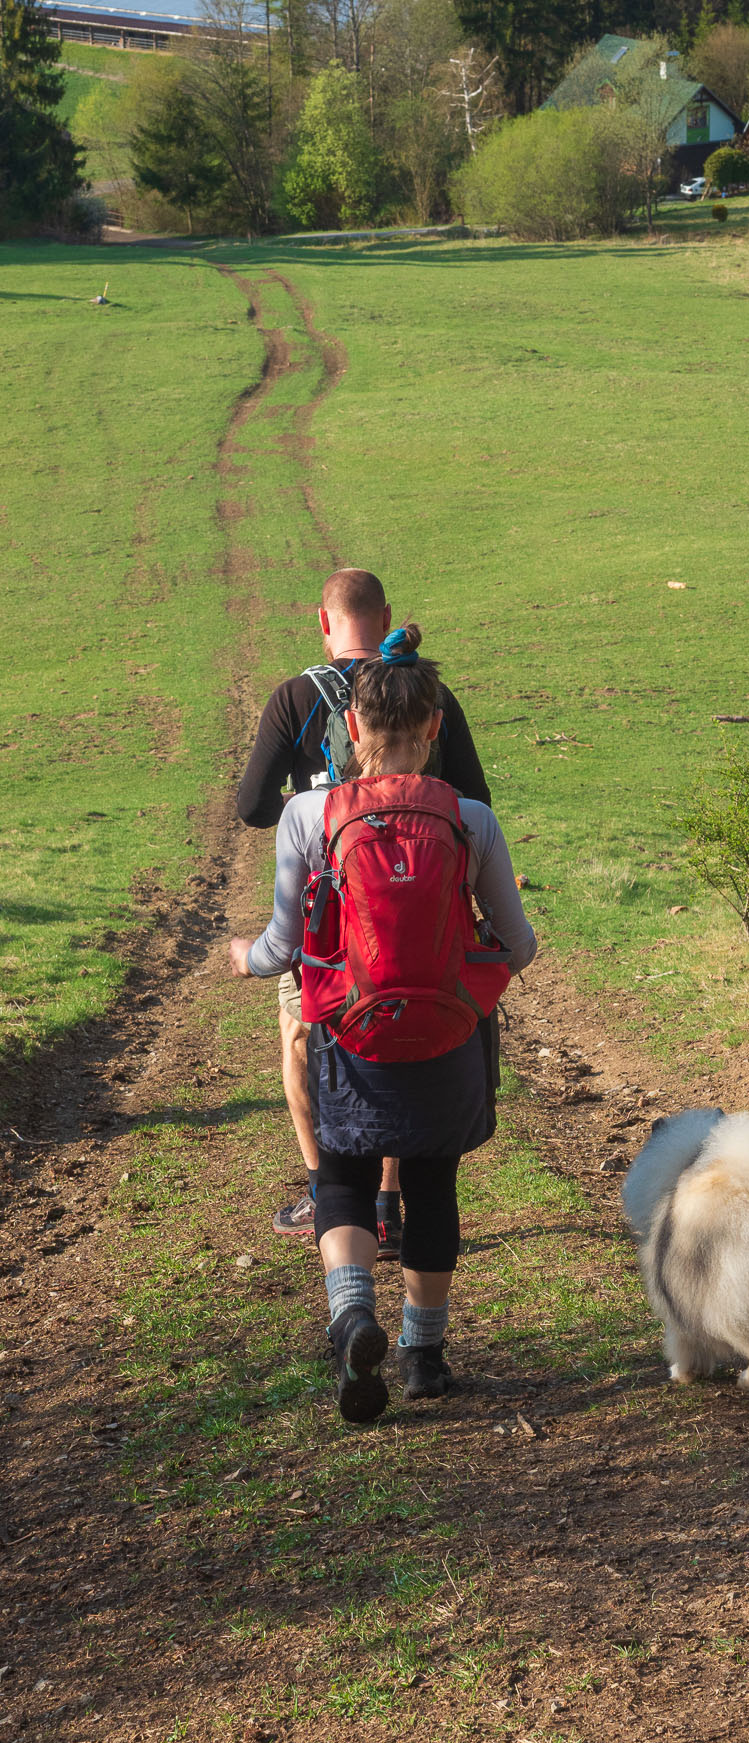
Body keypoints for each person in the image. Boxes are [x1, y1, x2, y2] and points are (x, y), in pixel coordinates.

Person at [228, 632, 536, 1423]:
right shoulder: (472, 821)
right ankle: (425, 1359)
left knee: (342, 1182)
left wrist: (243, 959)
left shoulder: (305, 816)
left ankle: (351, 1316)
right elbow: (520, 944)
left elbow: (283, 947)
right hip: (446, 1037)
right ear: (435, 729)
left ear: (352, 731)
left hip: (350, 1040)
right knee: (432, 1187)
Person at [236, 568, 491, 1253]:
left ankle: (328, 1191)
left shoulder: (294, 698)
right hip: (421, 914)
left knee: (305, 1040)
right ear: (386, 619)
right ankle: (387, 1198)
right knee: (404, 1031)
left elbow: (252, 807)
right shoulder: (431, 697)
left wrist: (312, 803)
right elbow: (477, 801)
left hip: (327, 918)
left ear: (325, 622)